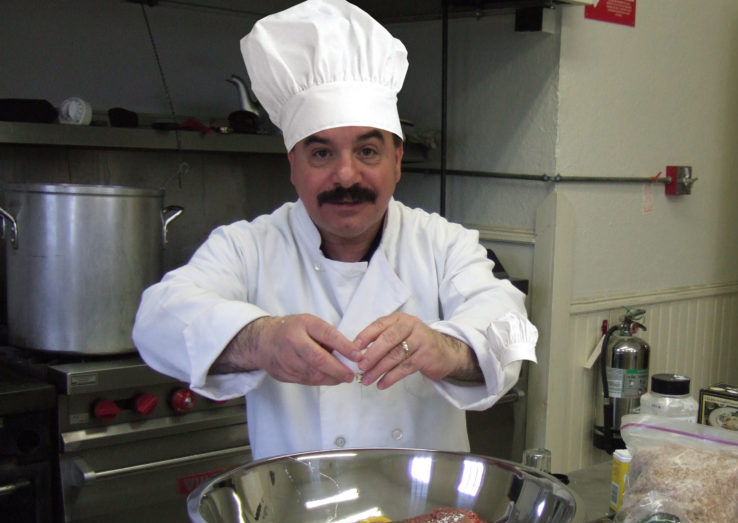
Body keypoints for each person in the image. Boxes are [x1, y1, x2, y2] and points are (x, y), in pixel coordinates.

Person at [132, 0, 537, 459]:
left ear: (397, 160)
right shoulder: (248, 247)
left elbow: (512, 332)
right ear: (293, 164)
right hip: (298, 515)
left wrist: (444, 349)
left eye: (367, 151)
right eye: (321, 154)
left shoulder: (444, 245)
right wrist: (260, 339)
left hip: (424, 519)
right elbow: (156, 320)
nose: (346, 176)